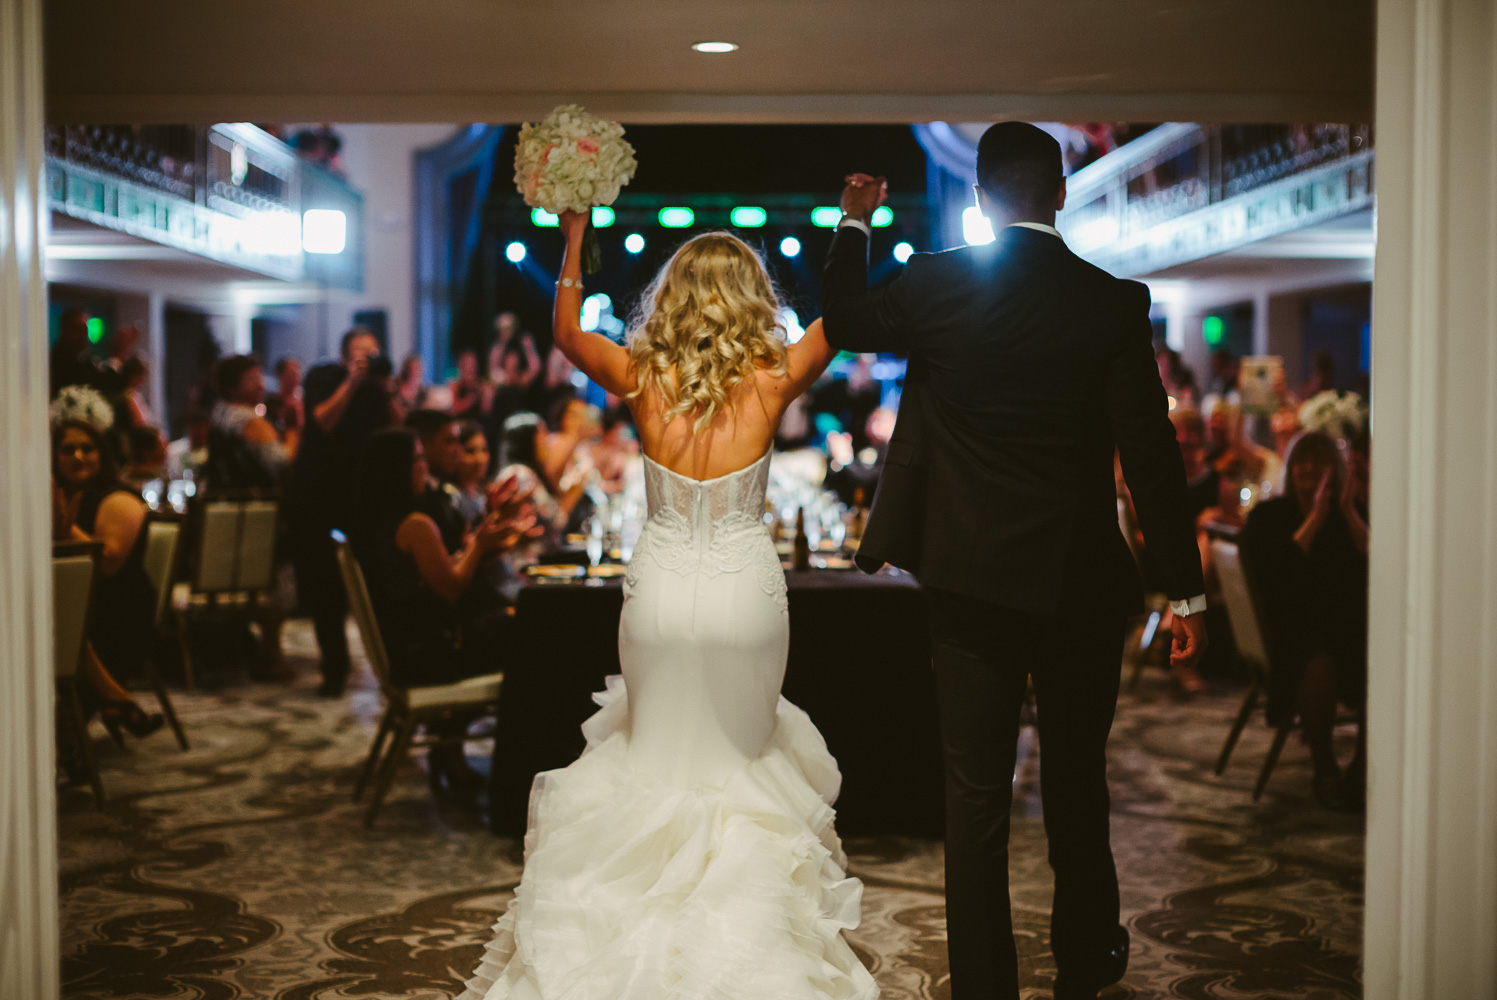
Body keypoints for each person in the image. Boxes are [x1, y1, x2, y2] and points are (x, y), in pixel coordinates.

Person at [820, 123, 1207, 1000]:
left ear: (981, 202)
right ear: (1060, 194)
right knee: (1078, 784)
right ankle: (1080, 974)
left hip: (969, 582)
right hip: (1080, 584)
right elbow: (1151, 455)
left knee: (974, 798)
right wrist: (1184, 593)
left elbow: (843, 319)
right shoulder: (1109, 303)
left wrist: (855, 222)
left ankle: (986, 987)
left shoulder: (937, 286)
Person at [455, 216, 873, 1000]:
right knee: (739, 771)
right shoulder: (776, 373)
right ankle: (744, 958)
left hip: (658, 591)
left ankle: (627, 949)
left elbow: (567, 330)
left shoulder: (639, 372)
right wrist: (852, 221)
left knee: (655, 760)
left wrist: (575, 235)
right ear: (752, 299)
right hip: (744, 591)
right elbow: (846, 318)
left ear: (669, 299)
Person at [349, 428, 534, 796]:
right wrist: (479, 545)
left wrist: (475, 547)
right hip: (430, 656)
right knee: (533, 640)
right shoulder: (416, 525)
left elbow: (437, 574)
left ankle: (454, 745)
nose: (425, 469)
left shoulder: (378, 523)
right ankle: (519, 770)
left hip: (410, 650)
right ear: (397, 471)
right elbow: (450, 587)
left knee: (520, 629)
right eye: (417, 460)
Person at [1241, 430, 1368, 809]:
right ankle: (1325, 768)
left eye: (1321, 460)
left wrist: (1346, 513)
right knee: (1318, 656)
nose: (1310, 468)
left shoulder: (1351, 513)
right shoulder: (1270, 515)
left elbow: (1374, 564)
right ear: (1291, 467)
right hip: (1288, 633)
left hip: (1343, 626)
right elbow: (1277, 575)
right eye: (1303, 461)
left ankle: (1363, 769)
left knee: (1376, 653)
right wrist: (1315, 518)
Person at [288, 327, 399, 697]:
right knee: (326, 588)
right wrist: (351, 382)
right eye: (360, 355)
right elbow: (323, 421)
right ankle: (333, 669)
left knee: (376, 581)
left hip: (363, 499)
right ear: (344, 356)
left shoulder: (378, 389)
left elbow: (397, 429)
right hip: (320, 497)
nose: (367, 361)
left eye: (373, 353)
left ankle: (391, 665)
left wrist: (387, 388)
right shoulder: (324, 378)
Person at [51, 413, 165, 742]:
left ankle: (68, 735)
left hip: (121, 615)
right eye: (67, 449)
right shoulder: (52, 498)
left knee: (59, 627)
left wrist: (64, 526)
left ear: (102, 453)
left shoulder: (119, 499)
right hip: (84, 608)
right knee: (57, 621)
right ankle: (112, 700)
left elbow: (110, 563)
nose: (78, 456)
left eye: (87, 448)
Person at [205, 355, 287, 489]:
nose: (261, 385)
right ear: (231, 388)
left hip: (224, 495)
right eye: (252, 379)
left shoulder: (219, 412)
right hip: (254, 500)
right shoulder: (248, 419)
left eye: (260, 378)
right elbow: (281, 461)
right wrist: (293, 429)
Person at [453, 421, 492, 528]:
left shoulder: (487, 492)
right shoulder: (452, 499)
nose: (480, 459)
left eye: (484, 450)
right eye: (470, 451)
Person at [264, 356, 304, 453]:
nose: (295, 377)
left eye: (297, 373)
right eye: (290, 373)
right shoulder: (271, 403)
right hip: (282, 449)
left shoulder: (305, 400)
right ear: (280, 375)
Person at [448, 349, 484, 419]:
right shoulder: (456, 385)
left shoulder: (481, 384)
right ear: (461, 366)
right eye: (467, 364)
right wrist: (469, 401)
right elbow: (453, 408)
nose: (471, 367)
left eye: (473, 364)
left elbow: (486, 409)